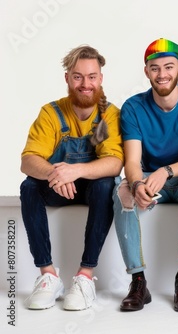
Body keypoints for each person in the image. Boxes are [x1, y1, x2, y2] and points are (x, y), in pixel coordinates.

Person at [20, 45, 124, 311]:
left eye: (91, 76)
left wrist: (76, 170)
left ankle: (85, 276)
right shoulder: (51, 113)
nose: (85, 83)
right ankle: (48, 275)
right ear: (67, 78)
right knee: (29, 186)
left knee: (105, 185)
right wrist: (56, 173)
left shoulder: (108, 115)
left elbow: (114, 162)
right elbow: (28, 160)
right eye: (78, 76)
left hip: (91, 189)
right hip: (58, 188)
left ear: (100, 78)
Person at [113, 38, 178, 312]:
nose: (162, 74)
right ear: (146, 72)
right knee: (120, 192)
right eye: (154, 68)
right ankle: (138, 282)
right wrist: (136, 183)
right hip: (147, 180)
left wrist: (164, 171)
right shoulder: (133, 106)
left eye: (168, 67)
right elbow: (131, 161)